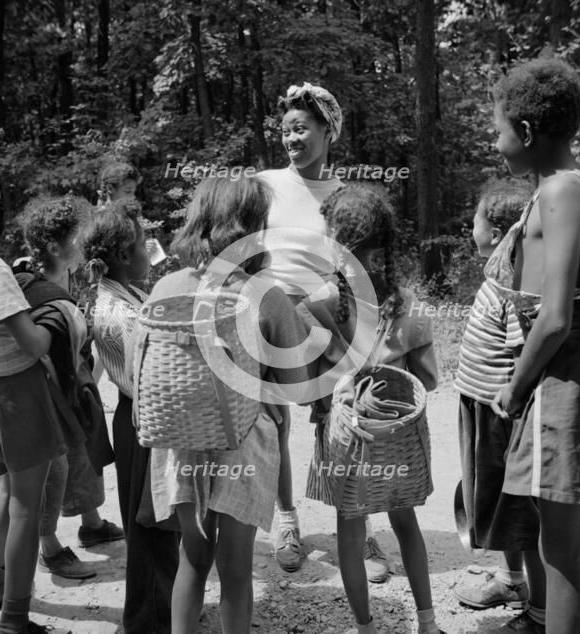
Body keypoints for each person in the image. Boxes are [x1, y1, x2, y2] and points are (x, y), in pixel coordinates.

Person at [148, 175, 312, 634]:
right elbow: (297, 387)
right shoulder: (266, 294)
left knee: (192, 560)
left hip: (181, 442)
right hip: (244, 444)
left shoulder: (167, 288)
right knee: (236, 573)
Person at [487, 58, 580, 634]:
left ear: (527, 133)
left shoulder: (558, 191)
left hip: (563, 383)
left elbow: (555, 317)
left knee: (562, 557)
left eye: (499, 129)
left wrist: (514, 389)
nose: (496, 141)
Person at [300, 183, 443, 634]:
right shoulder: (408, 307)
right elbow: (431, 379)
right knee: (405, 520)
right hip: (396, 446)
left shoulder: (318, 304)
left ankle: (365, 628)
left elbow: (308, 386)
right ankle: (427, 622)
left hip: (347, 445)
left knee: (350, 526)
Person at [0, 157, 64, 634]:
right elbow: (34, 343)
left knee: (5, 490)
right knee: (27, 502)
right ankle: (15, 619)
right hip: (18, 395)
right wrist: (55, 316)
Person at [256, 81, 345, 573]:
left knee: (338, 422)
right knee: (273, 420)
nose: (292, 138)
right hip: (269, 309)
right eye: (286, 129)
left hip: (325, 312)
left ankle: (354, 525)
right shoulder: (264, 185)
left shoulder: (341, 194)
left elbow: (351, 265)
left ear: (327, 130)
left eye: (302, 128)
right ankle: (286, 519)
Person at [452, 179, 548, 633]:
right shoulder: (497, 278)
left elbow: (519, 356)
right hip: (480, 409)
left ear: (493, 233)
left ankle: (541, 612)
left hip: (499, 416)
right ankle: (512, 581)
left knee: (522, 516)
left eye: (474, 219)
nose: (470, 226)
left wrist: (513, 405)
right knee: (500, 506)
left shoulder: (513, 287)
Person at [82, 198, 180, 634]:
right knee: (150, 525)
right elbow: (152, 373)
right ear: (123, 255)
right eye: (143, 245)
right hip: (143, 420)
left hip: (138, 416)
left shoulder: (124, 294)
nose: (149, 251)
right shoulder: (119, 310)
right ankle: (148, 620)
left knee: (156, 520)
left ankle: (161, 609)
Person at [16, 195, 124, 581]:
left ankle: (91, 524)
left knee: (84, 452)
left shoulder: (67, 278)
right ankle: (48, 546)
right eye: (79, 238)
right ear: (54, 247)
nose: (86, 245)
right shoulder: (32, 287)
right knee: (55, 468)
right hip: (49, 394)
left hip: (73, 388)